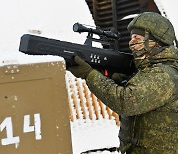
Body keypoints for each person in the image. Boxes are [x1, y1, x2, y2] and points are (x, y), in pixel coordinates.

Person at [68, 12, 178, 154]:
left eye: (138, 38)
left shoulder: (163, 74)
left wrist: (90, 75)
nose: (132, 42)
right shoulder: (145, 71)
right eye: (131, 37)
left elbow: (126, 102)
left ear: (156, 41)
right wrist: (114, 77)